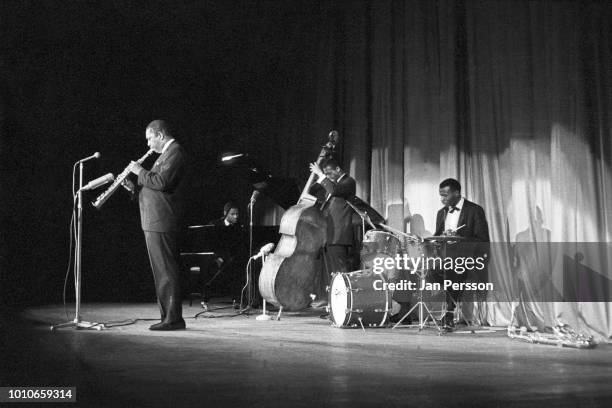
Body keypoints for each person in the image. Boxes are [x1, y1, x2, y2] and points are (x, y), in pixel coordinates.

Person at [124, 119, 187, 331]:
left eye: (150, 138)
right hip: (153, 220)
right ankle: (167, 317)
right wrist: (133, 187)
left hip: (163, 221)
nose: (149, 144)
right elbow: (154, 187)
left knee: (166, 271)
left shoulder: (175, 151)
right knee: (161, 272)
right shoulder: (164, 155)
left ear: (160, 135)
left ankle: (173, 319)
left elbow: (162, 182)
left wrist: (139, 171)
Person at [434, 178, 489, 329]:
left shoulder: (474, 210)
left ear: (457, 193)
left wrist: (460, 239)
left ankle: (449, 313)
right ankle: (449, 308)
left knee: (453, 270)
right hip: (446, 257)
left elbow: (483, 239)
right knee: (429, 270)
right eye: (441, 195)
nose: (442, 199)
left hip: (470, 257)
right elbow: (436, 236)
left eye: (445, 195)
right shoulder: (441, 213)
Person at [309, 158, 358, 311]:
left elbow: (335, 191)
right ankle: (335, 306)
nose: (329, 176)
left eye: (330, 173)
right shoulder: (332, 184)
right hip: (330, 234)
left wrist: (322, 176)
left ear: (338, 169)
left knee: (341, 272)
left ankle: (345, 307)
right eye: (326, 174)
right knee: (334, 273)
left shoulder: (348, 182)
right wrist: (319, 177)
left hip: (339, 234)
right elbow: (312, 191)